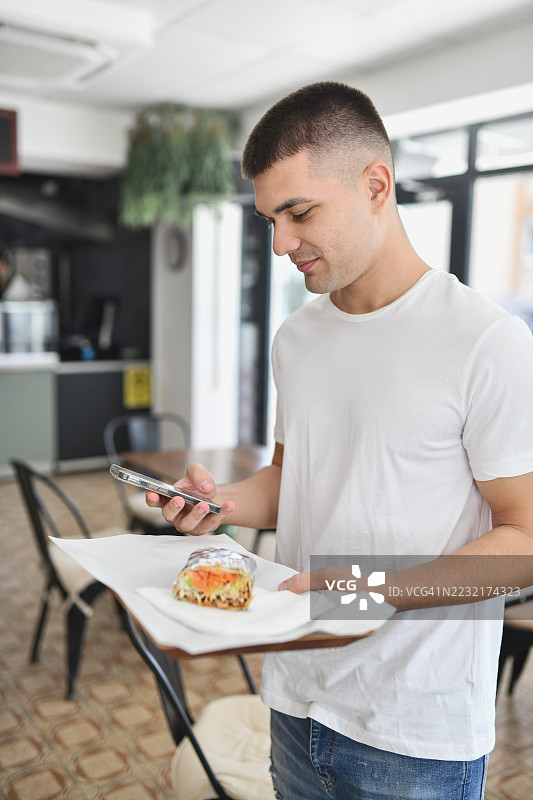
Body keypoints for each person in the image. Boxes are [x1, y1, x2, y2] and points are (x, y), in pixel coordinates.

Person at [147, 82, 533, 799]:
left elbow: (525, 545)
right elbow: (293, 479)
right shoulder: (297, 337)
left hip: (413, 734)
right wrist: (219, 502)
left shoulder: (486, 342)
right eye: (269, 219)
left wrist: (366, 593)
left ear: (375, 186)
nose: (280, 243)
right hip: (295, 697)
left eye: (299, 213)